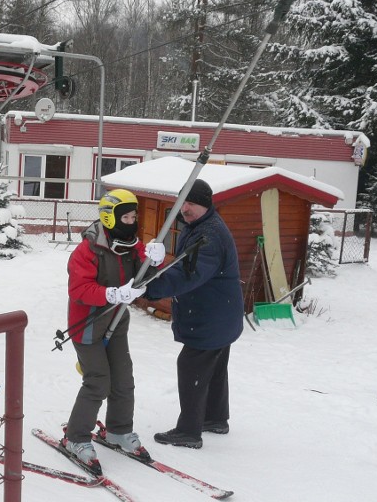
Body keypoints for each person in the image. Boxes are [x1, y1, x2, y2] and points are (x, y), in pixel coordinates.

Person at [62, 189, 166, 473]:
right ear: (110, 218)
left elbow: (143, 265)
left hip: (117, 322)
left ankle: (119, 430)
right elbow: (78, 289)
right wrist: (111, 293)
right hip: (87, 326)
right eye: (127, 216)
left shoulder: (130, 244)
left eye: (134, 216)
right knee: (98, 381)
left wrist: (155, 257)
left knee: (123, 379)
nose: (132, 222)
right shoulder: (88, 250)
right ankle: (76, 437)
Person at [144, 179, 243, 449]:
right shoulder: (202, 225)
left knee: (191, 366)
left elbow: (188, 273)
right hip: (220, 314)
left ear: (205, 204)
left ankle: (189, 431)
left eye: (191, 203)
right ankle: (215, 418)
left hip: (211, 318)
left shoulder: (209, 236)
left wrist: (150, 287)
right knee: (215, 367)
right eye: (182, 202)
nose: (184, 208)